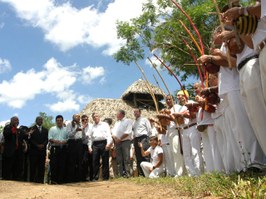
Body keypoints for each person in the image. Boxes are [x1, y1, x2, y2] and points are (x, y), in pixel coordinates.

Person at [176, 91, 203, 176]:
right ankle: (191, 173)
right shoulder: (180, 108)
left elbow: (194, 115)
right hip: (184, 130)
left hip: (193, 127)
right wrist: (177, 117)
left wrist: (181, 115)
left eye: (180, 95)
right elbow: (180, 122)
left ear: (185, 96)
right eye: (178, 96)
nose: (179, 98)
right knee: (186, 153)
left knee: (195, 150)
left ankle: (198, 172)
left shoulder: (191, 103)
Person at [88, 112, 113, 181]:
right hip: (95, 144)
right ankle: (95, 177)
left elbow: (108, 135)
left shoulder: (105, 124)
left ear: (99, 117)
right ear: (93, 118)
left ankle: (105, 178)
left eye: (97, 116)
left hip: (104, 143)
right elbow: (90, 138)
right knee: (95, 161)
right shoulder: (92, 126)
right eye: (94, 117)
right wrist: (89, 147)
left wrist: (108, 144)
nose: (95, 117)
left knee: (105, 161)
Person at [2, 116, 28, 181]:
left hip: (18, 152)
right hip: (9, 152)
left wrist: (28, 134)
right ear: (11, 121)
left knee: (17, 167)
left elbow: (25, 136)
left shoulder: (19, 130)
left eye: (18, 120)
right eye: (15, 120)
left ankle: (16, 179)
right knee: (8, 166)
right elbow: (6, 134)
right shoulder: (7, 128)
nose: (17, 122)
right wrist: (13, 129)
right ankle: (6, 179)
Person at [111, 110, 133, 178]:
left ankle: (128, 174)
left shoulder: (128, 121)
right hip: (117, 142)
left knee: (126, 158)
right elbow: (113, 132)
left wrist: (120, 139)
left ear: (122, 114)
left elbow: (128, 132)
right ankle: (120, 174)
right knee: (119, 159)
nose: (116, 115)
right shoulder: (116, 123)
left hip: (125, 141)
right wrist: (115, 138)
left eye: (118, 114)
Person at [48, 115, 68, 184]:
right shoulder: (52, 129)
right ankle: (53, 181)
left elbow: (68, 138)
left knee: (62, 164)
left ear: (62, 121)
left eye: (60, 120)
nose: (59, 122)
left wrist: (65, 141)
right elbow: (50, 138)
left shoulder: (66, 129)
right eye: (58, 120)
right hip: (54, 148)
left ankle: (61, 181)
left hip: (63, 148)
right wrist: (55, 141)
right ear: (56, 121)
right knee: (54, 164)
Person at [28, 116, 48, 183]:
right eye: (39, 120)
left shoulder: (45, 130)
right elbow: (30, 139)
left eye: (41, 120)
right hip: (34, 151)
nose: (40, 121)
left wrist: (43, 145)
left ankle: (41, 181)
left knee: (41, 167)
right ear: (36, 121)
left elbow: (47, 139)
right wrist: (37, 145)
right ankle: (31, 181)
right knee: (33, 167)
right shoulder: (31, 129)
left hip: (42, 151)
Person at [132, 108, 151, 176]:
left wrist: (146, 138)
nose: (135, 113)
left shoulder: (144, 119)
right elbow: (133, 131)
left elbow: (149, 129)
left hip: (143, 137)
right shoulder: (134, 122)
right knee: (138, 155)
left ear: (140, 112)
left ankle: (148, 173)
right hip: (136, 139)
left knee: (144, 154)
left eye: (136, 112)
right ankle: (141, 173)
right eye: (134, 112)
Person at [66, 114, 83, 182]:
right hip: (72, 142)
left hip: (79, 143)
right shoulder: (70, 124)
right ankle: (71, 179)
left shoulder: (81, 124)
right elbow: (69, 135)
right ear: (73, 117)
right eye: (76, 116)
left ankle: (79, 178)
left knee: (79, 160)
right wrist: (76, 130)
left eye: (79, 117)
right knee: (72, 161)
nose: (78, 118)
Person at [81, 114, 93, 181]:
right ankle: (84, 177)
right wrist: (82, 128)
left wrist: (90, 146)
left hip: (91, 144)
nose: (85, 121)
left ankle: (92, 177)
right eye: (83, 120)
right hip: (83, 146)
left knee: (91, 161)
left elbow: (91, 136)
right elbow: (81, 137)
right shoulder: (80, 127)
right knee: (84, 161)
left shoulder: (91, 126)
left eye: (86, 119)